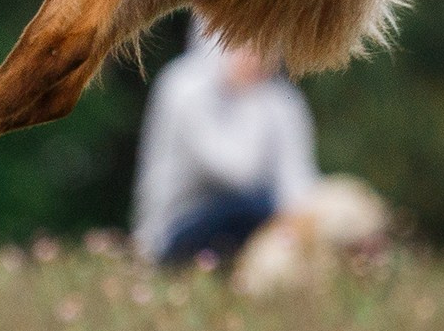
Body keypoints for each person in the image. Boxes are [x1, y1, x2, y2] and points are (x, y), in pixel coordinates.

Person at [133, 14, 318, 267]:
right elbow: (237, 173)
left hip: (257, 220)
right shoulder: (183, 88)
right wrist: (248, 97)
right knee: (252, 208)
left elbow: (297, 179)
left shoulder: (281, 100)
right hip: (178, 228)